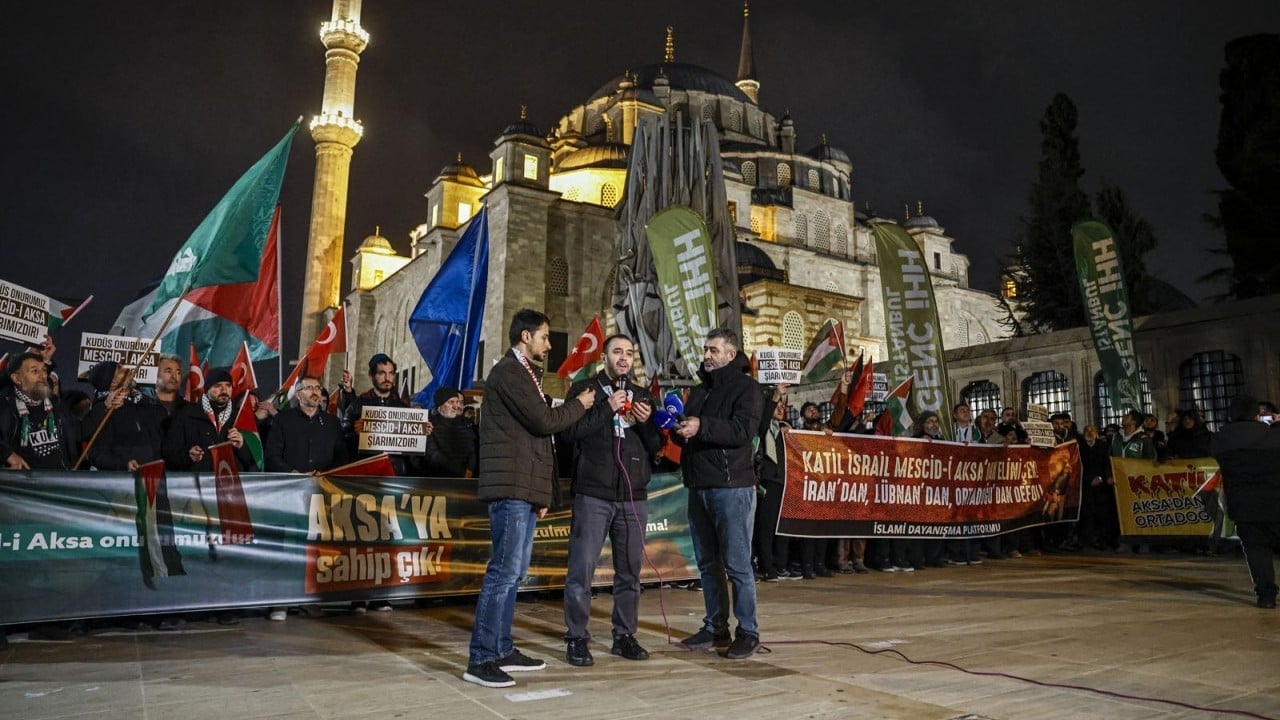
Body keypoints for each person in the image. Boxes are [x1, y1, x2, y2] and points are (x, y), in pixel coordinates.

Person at [462, 309, 596, 689]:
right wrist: (580, 405)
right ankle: (481, 657)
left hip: (523, 487)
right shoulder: (509, 372)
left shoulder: (525, 375)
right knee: (503, 572)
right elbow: (544, 422)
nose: (549, 345)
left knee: (514, 574)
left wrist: (541, 493)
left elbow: (535, 441)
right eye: (544, 337)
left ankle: (502, 648)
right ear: (525, 336)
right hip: (510, 487)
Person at [560, 334, 662, 667]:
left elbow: (655, 447)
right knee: (582, 570)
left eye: (629, 353)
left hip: (632, 496)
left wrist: (647, 424)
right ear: (604, 356)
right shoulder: (586, 390)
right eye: (617, 352)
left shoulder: (644, 394)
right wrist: (607, 407)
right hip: (594, 493)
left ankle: (624, 636)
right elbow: (570, 433)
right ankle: (576, 637)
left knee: (630, 572)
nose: (624, 358)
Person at [673, 328, 764, 660]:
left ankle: (748, 631)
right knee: (708, 564)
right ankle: (715, 627)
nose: (706, 355)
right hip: (700, 485)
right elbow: (693, 429)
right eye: (705, 349)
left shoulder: (746, 388)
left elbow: (743, 431)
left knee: (737, 564)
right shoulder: (699, 392)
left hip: (732, 488)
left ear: (730, 354)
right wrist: (681, 431)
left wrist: (702, 426)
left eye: (713, 350)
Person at [1210, 395, 1280, 609]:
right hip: (1275, 500)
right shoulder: (1272, 436)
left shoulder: (1221, 439)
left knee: (1256, 550)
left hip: (1243, 504)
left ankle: (1266, 595)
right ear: (1256, 414)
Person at [338, 353, 432, 475]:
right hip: (367, 473)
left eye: (391, 373)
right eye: (382, 373)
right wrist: (355, 434)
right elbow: (342, 440)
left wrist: (423, 433)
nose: (387, 378)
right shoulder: (357, 405)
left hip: (397, 473)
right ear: (371, 376)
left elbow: (413, 453)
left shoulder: (403, 408)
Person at [81, 361, 167, 471]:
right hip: (124, 479)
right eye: (121, 370)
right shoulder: (106, 411)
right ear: (112, 383)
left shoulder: (141, 401)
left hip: (152, 474)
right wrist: (124, 465)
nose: (129, 370)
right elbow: (97, 455)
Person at [162, 368, 253, 472]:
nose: (224, 390)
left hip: (232, 484)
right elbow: (169, 454)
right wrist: (188, 455)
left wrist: (242, 446)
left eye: (228, 385)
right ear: (207, 389)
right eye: (218, 386)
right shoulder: (186, 415)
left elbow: (256, 460)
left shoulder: (240, 416)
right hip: (200, 483)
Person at [0, 351, 79, 470]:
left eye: (44, 370)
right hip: (27, 487)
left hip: (63, 482)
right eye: (35, 371)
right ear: (17, 378)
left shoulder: (55, 403)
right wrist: (8, 454)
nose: (43, 376)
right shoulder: (5, 406)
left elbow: (81, 430)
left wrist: (105, 406)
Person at [265, 376, 348, 473]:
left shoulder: (333, 422)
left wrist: (324, 474)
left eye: (317, 388)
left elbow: (342, 457)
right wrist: (294, 473)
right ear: (298, 395)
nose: (315, 392)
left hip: (324, 483)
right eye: (309, 388)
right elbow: (272, 455)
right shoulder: (282, 420)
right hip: (292, 483)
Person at [424, 386, 478, 478]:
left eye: (457, 402)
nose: (456, 406)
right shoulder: (429, 425)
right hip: (439, 479)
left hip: (465, 479)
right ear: (439, 406)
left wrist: (470, 469)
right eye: (451, 402)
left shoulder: (466, 424)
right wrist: (461, 472)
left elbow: (472, 450)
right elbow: (434, 454)